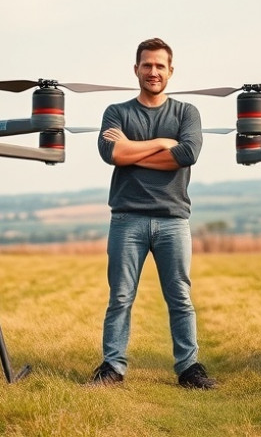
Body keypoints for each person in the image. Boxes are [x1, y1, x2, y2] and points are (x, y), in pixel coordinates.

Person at [91, 37, 216, 389]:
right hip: (126, 218)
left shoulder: (186, 113)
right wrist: (163, 144)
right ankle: (112, 367)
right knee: (120, 296)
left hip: (173, 219)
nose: (153, 72)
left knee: (180, 297)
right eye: (147, 65)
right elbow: (111, 154)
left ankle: (189, 369)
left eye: (160, 66)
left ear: (171, 71)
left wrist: (131, 149)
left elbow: (188, 153)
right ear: (136, 69)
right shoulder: (116, 112)